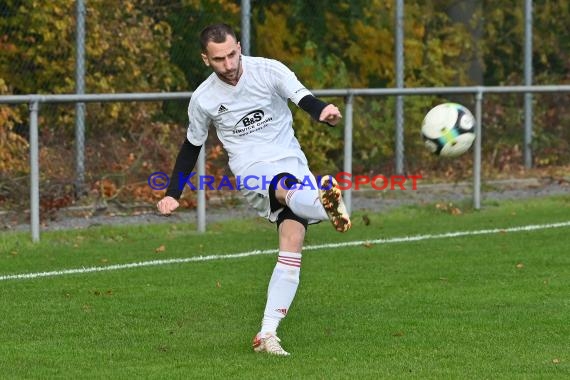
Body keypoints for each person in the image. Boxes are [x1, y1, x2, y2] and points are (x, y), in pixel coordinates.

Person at [156, 23, 351, 356]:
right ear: (206, 59)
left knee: (293, 243)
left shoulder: (268, 70)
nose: (229, 65)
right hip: (251, 171)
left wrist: (324, 112)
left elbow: (302, 97)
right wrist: (173, 192)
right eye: (219, 59)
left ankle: (266, 335)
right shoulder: (203, 98)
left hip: (291, 160)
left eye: (232, 54)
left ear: (239, 46)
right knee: (284, 188)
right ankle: (319, 198)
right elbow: (192, 146)